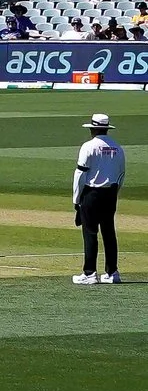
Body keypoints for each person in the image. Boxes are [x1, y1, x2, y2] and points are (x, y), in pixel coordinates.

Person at [73, 113, 124, 285]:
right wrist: (114, 193)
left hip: (91, 193)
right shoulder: (117, 147)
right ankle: (112, 272)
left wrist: (77, 198)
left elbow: (80, 174)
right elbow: (121, 174)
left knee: (90, 232)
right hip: (110, 194)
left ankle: (90, 273)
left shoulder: (88, 146)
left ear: (93, 129)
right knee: (109, 232)